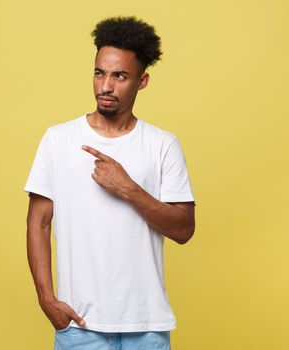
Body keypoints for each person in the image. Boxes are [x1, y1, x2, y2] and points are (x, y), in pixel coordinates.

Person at [24, 16, 196, 350]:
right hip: (79, 327)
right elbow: (39, 223)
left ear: (142, 81)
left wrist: (127, 188)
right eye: (99, 72)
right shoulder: (58, 139)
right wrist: (47, 299)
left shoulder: (162, 145)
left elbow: (183, 229)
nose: (106, 85)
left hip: (146, 329)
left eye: (120, 76)